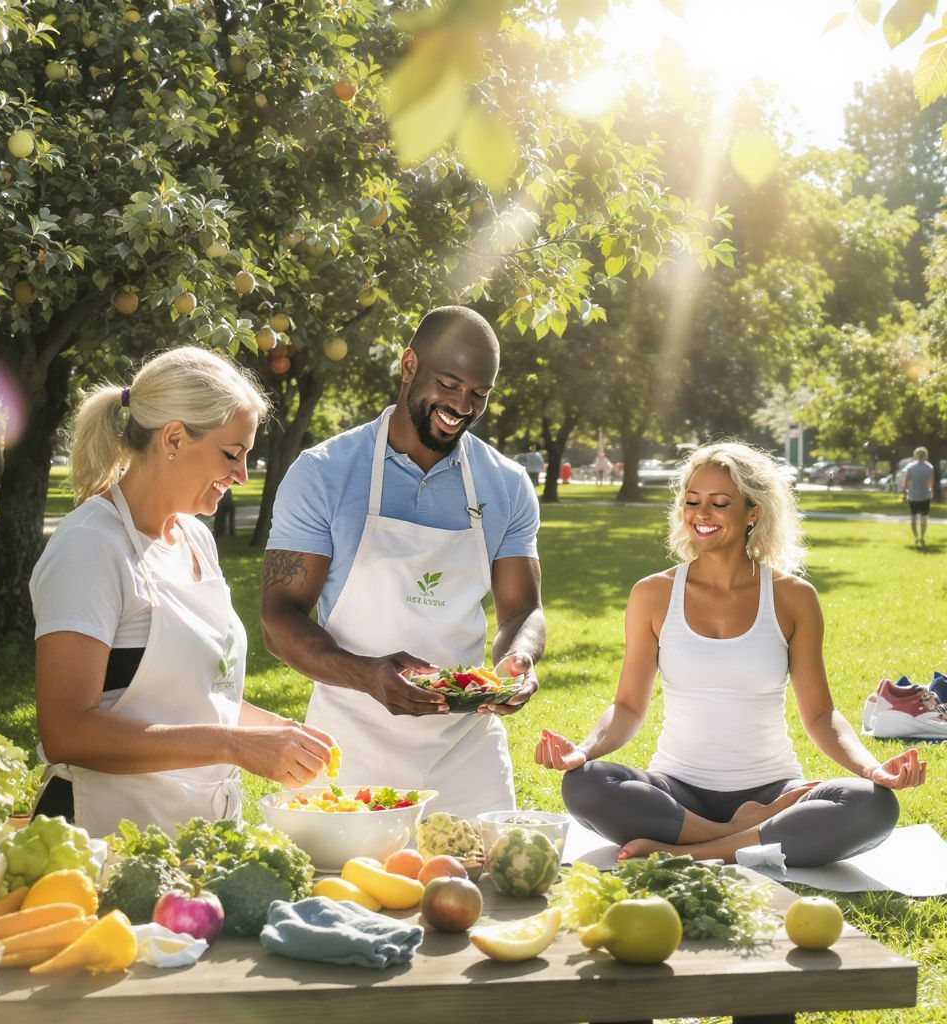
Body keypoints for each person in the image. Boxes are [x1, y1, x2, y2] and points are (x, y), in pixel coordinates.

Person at [536, 442, 925, 868]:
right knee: (585, 785)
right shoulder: (652, 594)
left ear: (752, 513)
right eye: (692, 501)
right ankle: (736, 838)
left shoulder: (793, 598)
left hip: (773, 790)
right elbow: (627, 706)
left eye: (720, 503)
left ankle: (682, 852)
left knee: (874, 806)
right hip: (677, 791)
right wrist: (583, 751)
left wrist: (872, 771)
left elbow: (819, 716)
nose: (701, 515)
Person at [30, 347, 334, 837]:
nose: (242, 474)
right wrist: (233, 745)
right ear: (173, 437)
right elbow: (67, 732)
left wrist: (279, 734)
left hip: (199, 838)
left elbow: (194, 696)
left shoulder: (194, 538)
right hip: (103, 840)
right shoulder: (89, 547)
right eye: (232, 454)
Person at [260, 306, 545, 818]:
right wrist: (367, 675)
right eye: (449, 384)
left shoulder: (506, 484)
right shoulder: (324, 473)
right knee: (346, 895)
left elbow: (523, 611)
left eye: (478, 394)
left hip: (468, 757)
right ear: (408, 365)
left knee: (481, 891)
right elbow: (278, 618)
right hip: (351, 746)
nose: (461, 405)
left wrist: (517, 661)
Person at [902, 446, 934, 548]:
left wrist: (905, 492)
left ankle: (917, 537)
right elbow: (931, 481)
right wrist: (931, 491)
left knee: (913, 519)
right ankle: (921, 537)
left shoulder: (911, 467)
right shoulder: (929, 467)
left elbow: (906, 481)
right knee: (923, 519)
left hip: (913, 496)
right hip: (924, 496)